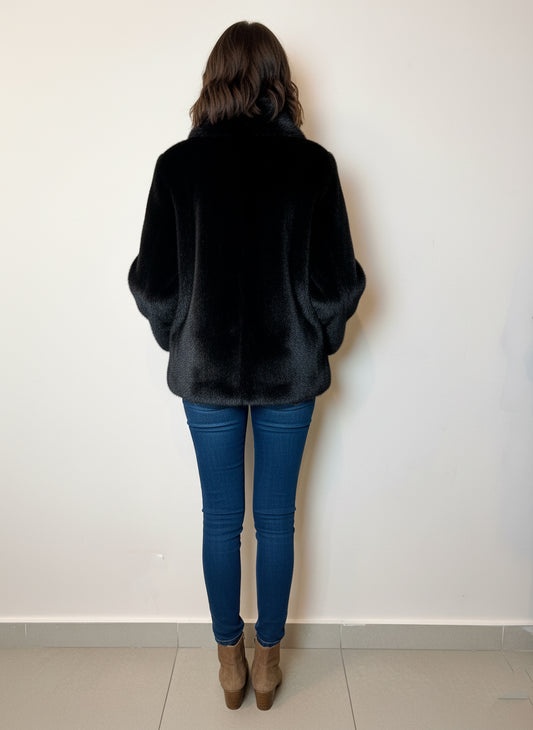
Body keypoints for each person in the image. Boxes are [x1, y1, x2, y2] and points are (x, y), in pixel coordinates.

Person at [128, 20, 366, 711]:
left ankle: (228, 663)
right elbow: (337, 286)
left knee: (220, 520)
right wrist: (316, 338)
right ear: (277, 80)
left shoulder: (177, 166)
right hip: (289, 372)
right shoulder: (313, 165)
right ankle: (267, 664)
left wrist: (180, 336)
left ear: (214, 79)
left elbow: (153, 285)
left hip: (204, 373)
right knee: (277, 520)